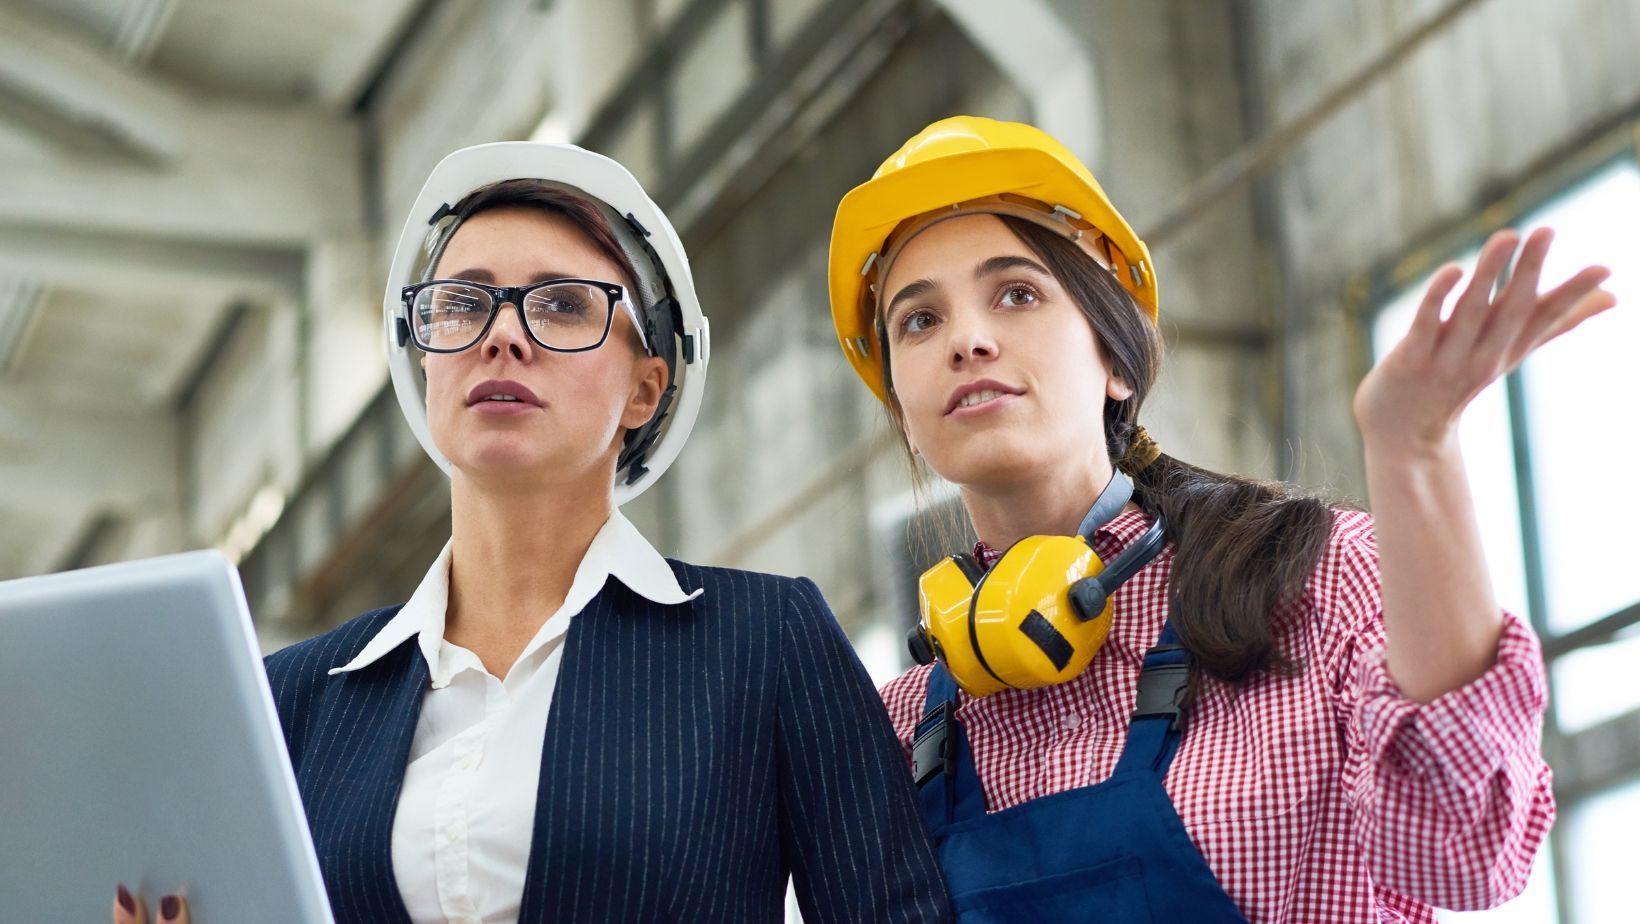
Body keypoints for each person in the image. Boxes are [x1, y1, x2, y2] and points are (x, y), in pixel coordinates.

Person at [116, 142, 950, 924]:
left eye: (561, 305)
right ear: (426, 361)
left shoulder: (763, 644)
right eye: (462, 305)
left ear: (644, 390)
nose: (503, 335)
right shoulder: (293, 700)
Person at [825, 116, 1613, 921]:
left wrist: (1414, 452)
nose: (970, 340)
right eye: (919, 320)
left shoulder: (1309, 583)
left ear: (1116, 362)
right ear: (903, 412)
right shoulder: (898, 732)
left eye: (1017, 293)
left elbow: (1468, 852)